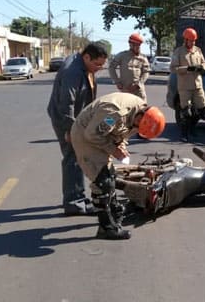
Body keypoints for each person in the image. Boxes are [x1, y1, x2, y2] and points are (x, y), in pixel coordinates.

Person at [70, 92, 165, 239]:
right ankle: (106, 228)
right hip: (85, 137)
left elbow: (125, 132)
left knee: (110, 176)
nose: (136, 128)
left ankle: (114, 210)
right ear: (140, 117)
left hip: (101, 137)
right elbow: (92, 135)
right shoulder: (114, 113)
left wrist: (121, 145)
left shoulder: (141, 112)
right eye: (137, 126)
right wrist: (113, 150)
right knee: (102, 182)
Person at [47, 43, 109, 215]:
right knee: (73, 157)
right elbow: (66, 104)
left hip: (78, 118)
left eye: (101, 65)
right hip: (65, 119)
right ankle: (74, 202)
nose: (99, 68)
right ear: (87, 57)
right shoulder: (72, 72)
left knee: (79, 156)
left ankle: (77, 196)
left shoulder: (83, 65)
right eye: (97, 64)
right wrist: (69, 130)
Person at [171, 27, 205, 141]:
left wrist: (202, 67)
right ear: (185, 40)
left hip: (197, 85)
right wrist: (188, 69)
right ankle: (184, 134)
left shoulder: (198, 50)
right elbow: (173, 68)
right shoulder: (179, 52)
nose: (192, 42)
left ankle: (192, 127)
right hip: (184, 86)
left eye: (194, 40)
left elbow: (204, 62)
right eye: (190, 40)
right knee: (185, 112)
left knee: (202, 110)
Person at [108, 32, 150, 101]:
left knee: (142, 109)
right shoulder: (122, 56)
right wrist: (117, 82)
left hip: (139, 90)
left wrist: (138, 85)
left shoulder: (143, 57)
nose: (138, 47)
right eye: (136, 45)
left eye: (139, 45)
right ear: (131, 45)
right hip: (126, 90)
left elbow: (146, 72)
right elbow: (111, 67)